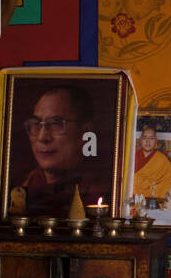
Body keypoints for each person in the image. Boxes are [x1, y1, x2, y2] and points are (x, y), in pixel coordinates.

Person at [10, 85, 111, 216]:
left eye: (55, 124)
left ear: (85, 132)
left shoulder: (101, 188)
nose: (42, 137)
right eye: (35, 124)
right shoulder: (20, 186)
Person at [132, 124, 171, 209]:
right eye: (145, 138)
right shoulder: (132, 157)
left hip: (155, 200)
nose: (147, 142)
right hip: (134, 199)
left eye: (151, 138)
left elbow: (169, 182)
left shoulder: (162, 159)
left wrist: (153, 187)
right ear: (140, 140)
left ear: (156, 141)